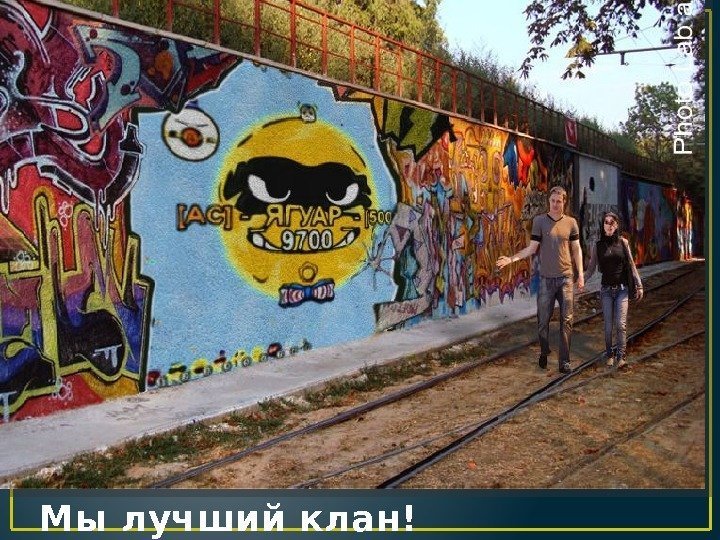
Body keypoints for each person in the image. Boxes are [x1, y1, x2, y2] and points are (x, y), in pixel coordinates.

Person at [496, 186, 584, 373]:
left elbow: (576, 249)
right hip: (546, 280)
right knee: (543, 321)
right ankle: (544, 350)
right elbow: (532, 248)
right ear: (549, 202)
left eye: (558, 201)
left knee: (567, 320)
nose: (555, 204)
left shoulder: (571, 223)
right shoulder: (539, 221)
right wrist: (511, 259)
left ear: (564, 202)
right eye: (552, 201)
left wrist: (581, 275)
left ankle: (564, 362)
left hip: (566, 278)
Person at [584, 211, 643, 369]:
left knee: (621, 324)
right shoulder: (597, 246)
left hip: (622, 290)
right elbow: (591, 269)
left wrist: (639, 285)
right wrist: (581, 280)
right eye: (606, 222)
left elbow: (631, 264)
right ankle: (609, 354)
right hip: (606, 291)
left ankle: (621, 356)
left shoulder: (623, 243)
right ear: (603, 225)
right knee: (608, 326)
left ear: (616, 225)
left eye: (612, 222)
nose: (609, 225)